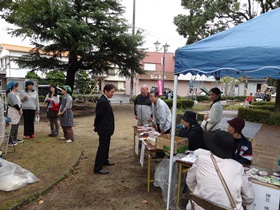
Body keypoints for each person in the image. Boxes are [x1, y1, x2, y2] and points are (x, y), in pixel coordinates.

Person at [186, 131, 254, 210]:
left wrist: (201, 192)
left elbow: (190, 181)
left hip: (199, 206)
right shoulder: (237, 167)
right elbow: (249, 198)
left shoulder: (201, 159)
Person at [94, 84, 115, 174]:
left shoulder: (105, 100)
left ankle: (105, 160)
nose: (112, 94)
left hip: (106, 128)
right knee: (102, 147)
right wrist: (96, 126)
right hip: (104, 128)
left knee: (106, 145)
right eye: (111, 92)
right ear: (106, 91)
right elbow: (99, 116)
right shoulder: (103, 101)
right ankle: (98, 167)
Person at [6, 82, 23, 146]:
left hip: (17, 111)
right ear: (14, 87)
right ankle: (10, 141)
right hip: (13, 111)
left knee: (16, 125)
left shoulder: (16, 94)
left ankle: (14, 138)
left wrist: (20, 109)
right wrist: (19, 109)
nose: (18, 87)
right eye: (17, 86)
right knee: (13, 125)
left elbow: (19, 102)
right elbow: (14, 104)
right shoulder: (11, 94)